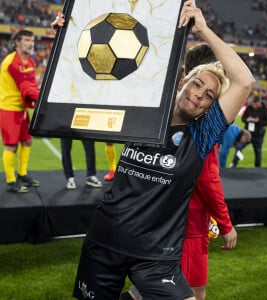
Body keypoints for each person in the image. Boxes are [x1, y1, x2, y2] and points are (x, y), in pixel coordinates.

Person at [53, 2, 254, 299]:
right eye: (197, 84)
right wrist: (66, 37)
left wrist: (203, 29)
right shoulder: (144, 109)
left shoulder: (200, 136)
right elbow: (87, 83)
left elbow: (245, 81)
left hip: (156, 255)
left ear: (211, 109)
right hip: (105, 238)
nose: (199, 94)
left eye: (209, 95)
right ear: (183, 81)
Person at [120, 43, 238, 300]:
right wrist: (226, 224)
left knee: (151, 283)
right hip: (188, 220)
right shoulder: (201, 127)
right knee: (194, 290)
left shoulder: (164, 111)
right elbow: (208, 180)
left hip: (154, 215)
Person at [0, 30, 40, 193]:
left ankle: (22, 174)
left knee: (27, 141)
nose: (30, 43)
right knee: (11, 146)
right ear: (17, 42)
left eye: (32, 40)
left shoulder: (30, 61)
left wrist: (39, 96)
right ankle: (10, 181)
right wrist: (44, 101)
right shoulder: (11, 62)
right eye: (26, 40)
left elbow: (32, 86)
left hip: (21, 108)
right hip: (9, 109)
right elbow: (25, 87)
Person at [241, 95, 267, 167]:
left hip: (258, 135)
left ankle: (258, 168)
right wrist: (246, 120)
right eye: (253, 104)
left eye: (255, 104)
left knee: (258, 152)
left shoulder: (264, 109)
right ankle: (234, 164)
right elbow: (243, 118)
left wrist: (258, 121)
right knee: (239, 147)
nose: (253, 105)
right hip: (248, 134)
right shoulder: (249, 108)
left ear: (259, 103)